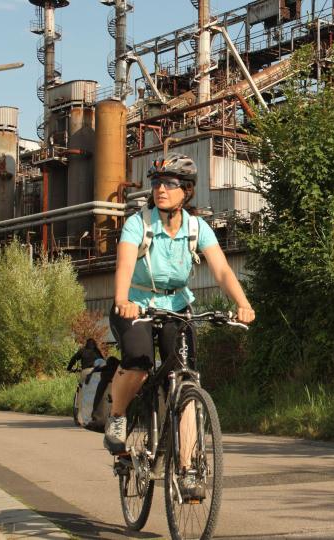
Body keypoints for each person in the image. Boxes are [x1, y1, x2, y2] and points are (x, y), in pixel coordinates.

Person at [105, 152, 255, 494]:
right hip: (137, 303)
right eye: (156, 183)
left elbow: (221, 270)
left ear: (186, 191)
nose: (160, 190)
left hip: (177, 305)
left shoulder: (195, 227)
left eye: (169, 184)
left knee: (186, 382)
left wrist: (243, 304)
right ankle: (117, 417)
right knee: (140, 362)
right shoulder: (138, 223)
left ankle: (187, 469)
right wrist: (122, 300)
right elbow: (124, 265)